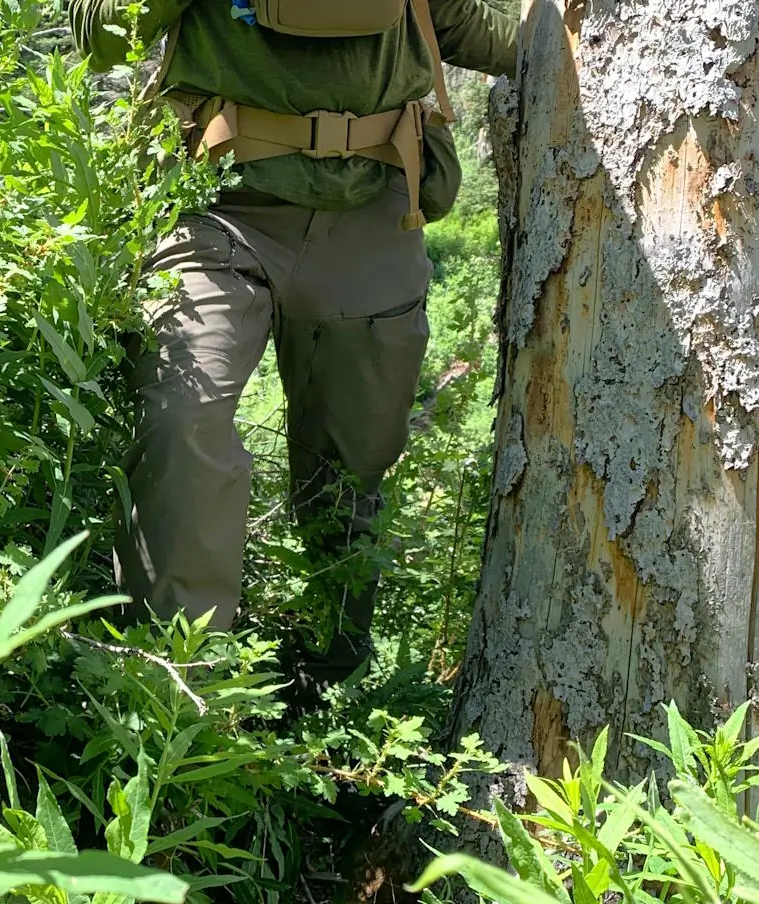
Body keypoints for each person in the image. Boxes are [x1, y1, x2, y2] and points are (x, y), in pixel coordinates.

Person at [70, 0, 518, 701]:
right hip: (216, 204)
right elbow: (101, 36)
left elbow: (468, 25)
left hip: (373, 208)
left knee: (354, 461)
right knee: (181, 418)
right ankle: (178, 697)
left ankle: (333, 691)